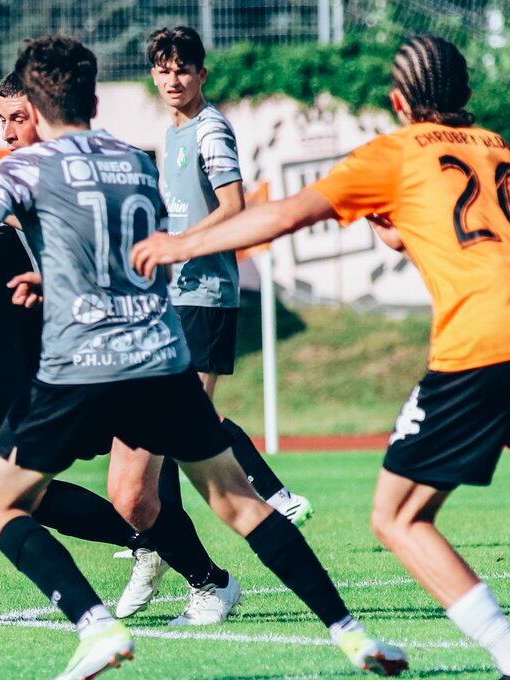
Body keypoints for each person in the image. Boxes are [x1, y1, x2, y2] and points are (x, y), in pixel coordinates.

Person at [0, 36, 407, 679]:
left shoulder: (25, 168)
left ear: (37, 109)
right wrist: (57, 278)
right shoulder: (135, 160)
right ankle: (352, 634)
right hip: (161, 357)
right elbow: (128, 253)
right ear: (95, 100)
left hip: (82, 363)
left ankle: (96, 625)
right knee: (237, 503)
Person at [130, 34, 510, 678]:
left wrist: (179, 245)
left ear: (397, 102)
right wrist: (395, 227)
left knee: (398, 516)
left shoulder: (395, 152)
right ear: (468, 93)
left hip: (482, 341)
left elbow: (281, 216)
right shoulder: (498, 147)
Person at [0, 70, 242, 628]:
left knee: (139, 488)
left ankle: (216, 576)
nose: (8, 132)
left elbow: (105, 253)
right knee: (22, 487)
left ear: (43, 113)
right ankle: (148, 545)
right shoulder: (29, 174)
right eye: (2, 120)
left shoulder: (92, 169)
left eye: (17, 118)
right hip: (75, 360)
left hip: (128, 353)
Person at [113, 23, 318, 621]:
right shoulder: (172, 132)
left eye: (183, 69)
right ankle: (167, 546)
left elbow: (233, 207)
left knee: (181, 422)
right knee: (172, 424)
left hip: (205, 292)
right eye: (163, 69)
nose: (173, 78)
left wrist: (178, 246)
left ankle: (262, 503)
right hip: (178, 292)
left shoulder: (210, 128)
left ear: (202, 74)